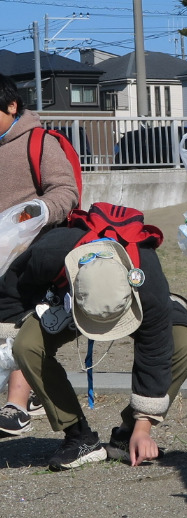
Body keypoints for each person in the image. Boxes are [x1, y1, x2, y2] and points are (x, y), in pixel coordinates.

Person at [6, 219, 187, 470]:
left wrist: (142, 427)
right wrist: (9, 332)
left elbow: (154, 353)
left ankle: (126, 435)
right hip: (68, 296)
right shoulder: (49, 253)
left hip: (133, 297)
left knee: (186, 343)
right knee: (26, 345)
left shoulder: (148, 282)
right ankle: (78, 436)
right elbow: (13, 291)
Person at [0, 72, 79, 436]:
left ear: (11, 106)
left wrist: (38, 212)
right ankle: (27, 390)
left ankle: (15, 407)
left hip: (30, 255)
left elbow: (65, 191)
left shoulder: (39, 142)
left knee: (20, 324)